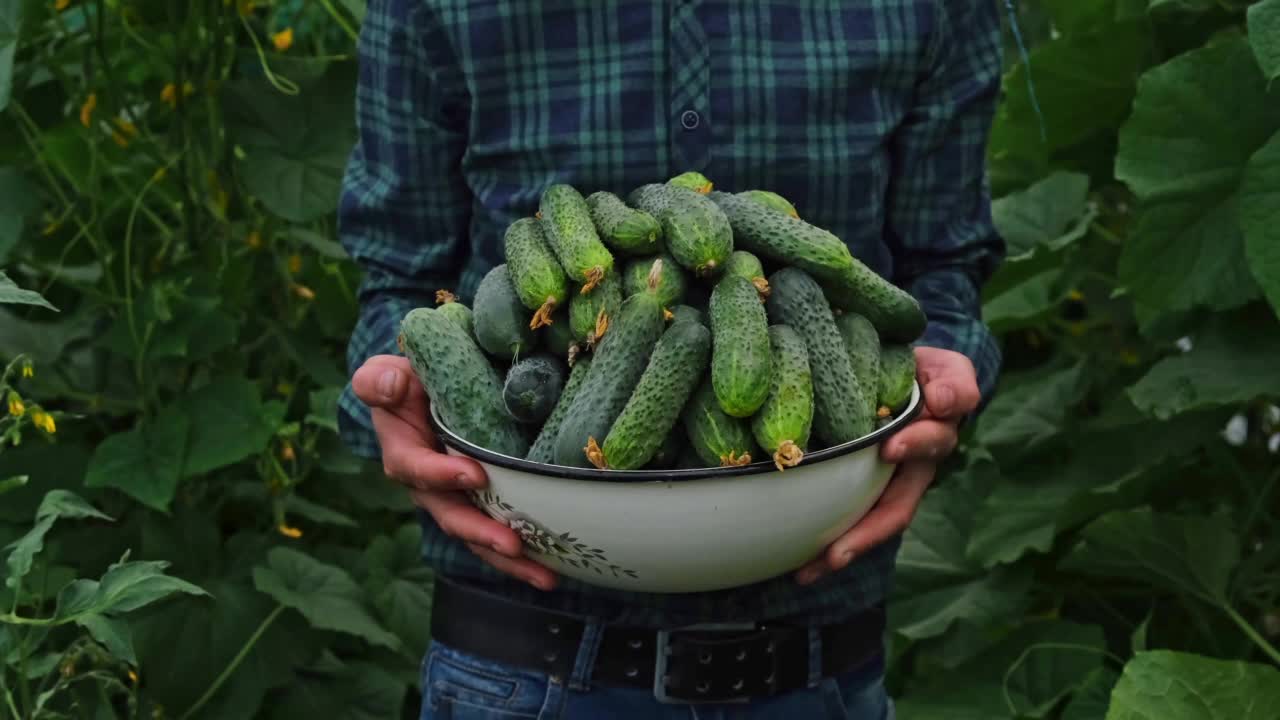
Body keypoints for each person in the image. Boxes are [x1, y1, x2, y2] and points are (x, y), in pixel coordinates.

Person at [337, 1, 1004, 717]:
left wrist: (941, 379)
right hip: (520, 664)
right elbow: (395, 284)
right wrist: (394, 397)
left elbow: (944, 271)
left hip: (819, 662)